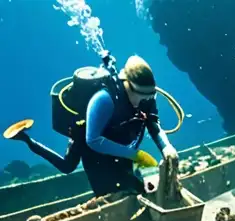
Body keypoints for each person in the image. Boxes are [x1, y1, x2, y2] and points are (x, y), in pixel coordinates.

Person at [5, 55, 177, 196]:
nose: (145, 101)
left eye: (149, 96)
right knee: (68, 167)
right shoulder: (104, 99)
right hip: (88, 139)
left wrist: (166, 147)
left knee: (131, 182)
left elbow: (152, 123)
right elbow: (93, 139)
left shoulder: (147, 97)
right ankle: (26, 139)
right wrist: (136, 154)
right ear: (126, 85)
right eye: (140, 95)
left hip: (116, 139)